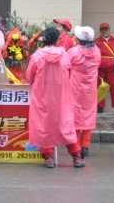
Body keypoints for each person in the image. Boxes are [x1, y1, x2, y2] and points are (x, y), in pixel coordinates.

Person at [26, 27, 84, 168]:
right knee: (66, 126)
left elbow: (29, 77)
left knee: (44, 127)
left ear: (44, 40)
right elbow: (69, 73)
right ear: (58, 40)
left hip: (42, 98)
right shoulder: (65, 55)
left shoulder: (37, 56)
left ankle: (48, 158)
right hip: (62, 98)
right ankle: (77, 157)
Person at [68, 26, 100, 158]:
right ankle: (85, 145)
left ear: (78, 39)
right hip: (90, 89)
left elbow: (66, 66)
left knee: (75, 117)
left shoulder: (73, 52)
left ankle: (77, 146)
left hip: (75, 88)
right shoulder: (96, 51)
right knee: (88, 116)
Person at [95, 23, 114, 114]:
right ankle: (100, 107)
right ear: (100, 31)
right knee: (100, 88)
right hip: (100, 69)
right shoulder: (96, 42)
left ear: (109, 30)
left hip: (112, 69)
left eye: (106, 29)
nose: (104, 31)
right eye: (102, 30)